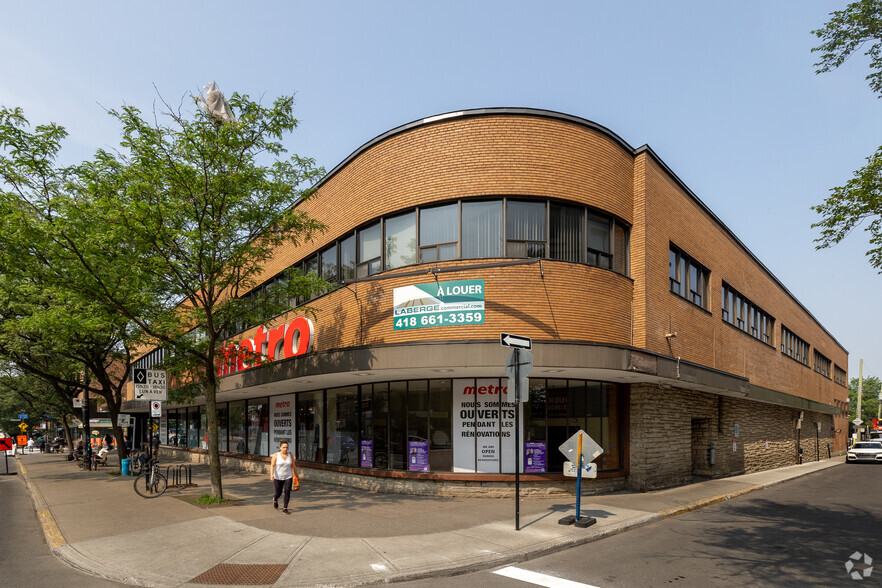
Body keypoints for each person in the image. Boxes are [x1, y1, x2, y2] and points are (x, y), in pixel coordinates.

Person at [269, 441, 298, 514]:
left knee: (287, 492)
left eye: (287, 447)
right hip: (278, 477)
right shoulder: (276, 455)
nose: (285, 449)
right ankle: (275, 499)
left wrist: (296, 474)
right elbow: (272, 466)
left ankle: (285, 508)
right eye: (284, 447)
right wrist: (271, 475)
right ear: (280, 447)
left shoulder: (290, 455)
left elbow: (293, 465)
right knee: (278, 492)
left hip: (288, 476)